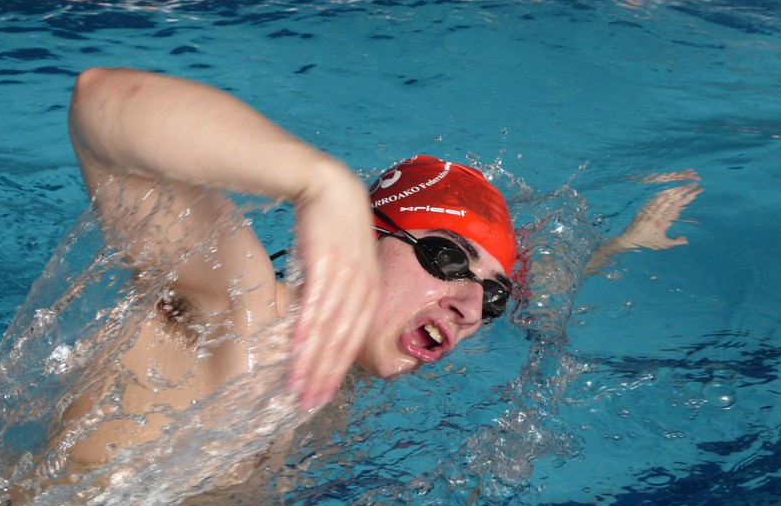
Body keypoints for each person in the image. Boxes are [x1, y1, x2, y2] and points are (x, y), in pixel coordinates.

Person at [63, 67, 701, 467]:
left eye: (494, 297)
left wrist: (624, 248)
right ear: (364, 239)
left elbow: (535, 294)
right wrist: (319, 184)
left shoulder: (349, 364)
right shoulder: (240, 310)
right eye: (445, 256)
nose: (471, 307)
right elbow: (98, 104)